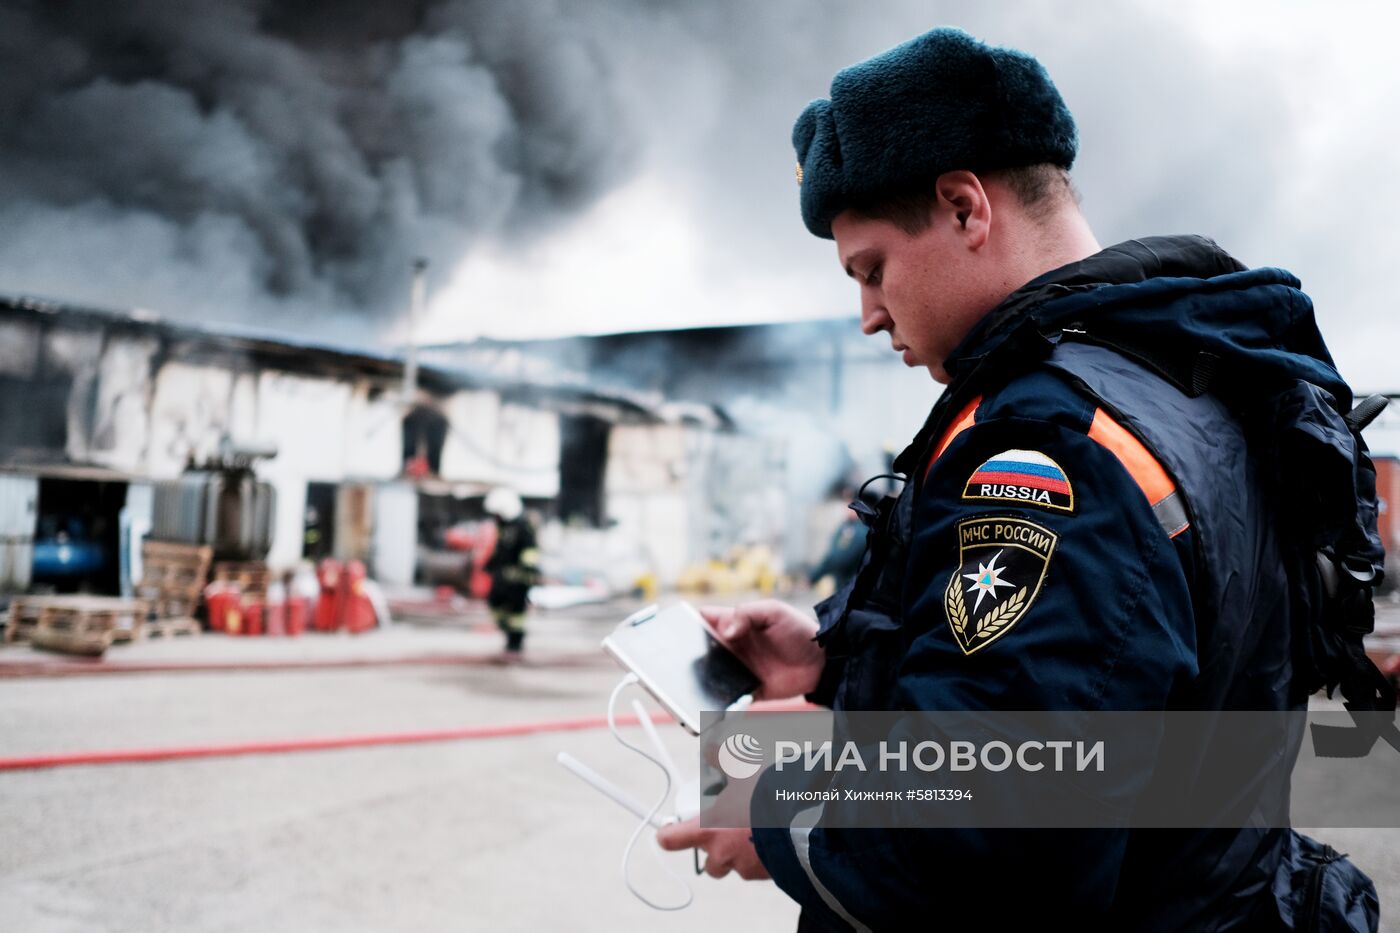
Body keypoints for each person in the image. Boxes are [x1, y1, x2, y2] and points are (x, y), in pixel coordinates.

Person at [658, 26, 1390, 931]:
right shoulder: (1189, 383)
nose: (868, 314)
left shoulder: (1051, 450)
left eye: (872, 268)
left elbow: (982, 847)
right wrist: (837, 660)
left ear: (967, 208)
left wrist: (773, 817)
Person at [482, 487, 539, 658]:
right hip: (503, 578)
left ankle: (515, 642)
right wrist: (490, 564)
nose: (495, 518)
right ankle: (509, 635)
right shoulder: (505, 528)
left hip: (518, 580)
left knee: (516, 613)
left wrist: (526, 569)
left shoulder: (523, 528)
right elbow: (501, 551)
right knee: (495, 602)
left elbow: (530, 553)